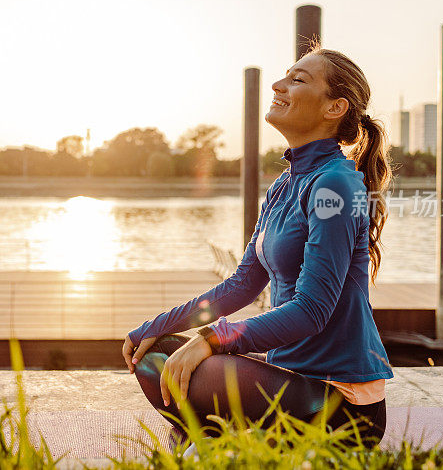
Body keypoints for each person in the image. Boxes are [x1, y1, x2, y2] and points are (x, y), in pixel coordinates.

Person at [122, 42, 394, 450]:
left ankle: (213, 442)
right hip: (290, 376)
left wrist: (212, 339)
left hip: (340, 402)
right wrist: (157, 326)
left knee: (195, 371)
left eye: (298, 80)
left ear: (334, 108)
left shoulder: (336, 184)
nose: (279, 85)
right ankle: (222, 441)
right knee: (153, 355)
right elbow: (241, 285)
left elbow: (312, 311)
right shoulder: (284, 187)